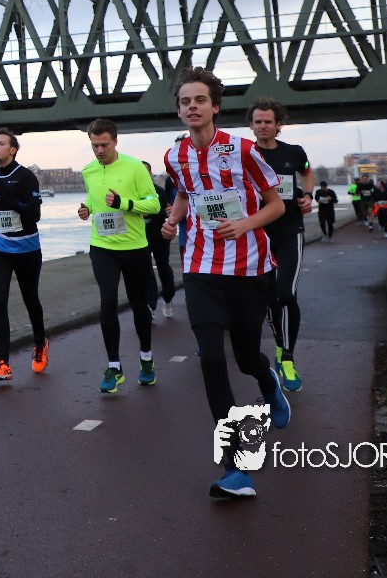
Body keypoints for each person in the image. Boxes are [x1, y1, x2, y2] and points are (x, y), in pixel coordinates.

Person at [161, 66, 290, 500]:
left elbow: (276, 205)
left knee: (246, 357)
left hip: (249, 268)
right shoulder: (174, 156)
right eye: (185, 101)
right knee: (212, 360)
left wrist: (244, 224)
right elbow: (184, 192)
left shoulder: (244, 150)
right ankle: (237, 467)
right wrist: (173, 220)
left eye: (200, 100)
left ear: (215, 107)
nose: (192, 107)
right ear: (179, 111)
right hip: (200, 267)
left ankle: (268, 382)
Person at [77, 118, 161, 391]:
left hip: (134, 247)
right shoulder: (88, 170)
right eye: (94, 145)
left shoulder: (134, 167)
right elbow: (94, 199)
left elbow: (154, 204)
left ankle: (146, 358)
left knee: (138, 304)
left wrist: (124, 203)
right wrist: (87, 208)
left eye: (104, 145)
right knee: (108, 300)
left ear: (115, 141)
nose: (99, 150)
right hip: (102, 247)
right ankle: (114, 367)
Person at [248, 99, 313, 393]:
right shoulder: (244, 154)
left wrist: (308, 195)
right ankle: (279, 344)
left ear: (278, 125)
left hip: (289, 232)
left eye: (268, 122)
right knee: (269, 297)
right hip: (257, 233)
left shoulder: (294, 153)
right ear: (251, 125)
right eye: (258, 122)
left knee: (286, 293)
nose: (263, 126)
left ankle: (287, 358)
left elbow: (307, 171)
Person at [0, 127, 47, 382]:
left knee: (30, 298)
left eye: (1, 143)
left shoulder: (26, 176)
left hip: (27, 249)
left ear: (13, 150)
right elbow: (1, 211)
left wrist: (11, 200)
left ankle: (40, 344)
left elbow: (34, 215)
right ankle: (2, 363)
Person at [146, 163, 178, 318]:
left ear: (151, 174)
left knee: (163, 267)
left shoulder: (158, 191)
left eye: (145, 172)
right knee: (145, 271)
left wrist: (149, 213)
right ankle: (150, 306)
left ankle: (168, 299)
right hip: (140, 238)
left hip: (159, 236)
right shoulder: (131, 192)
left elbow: (167, 211)